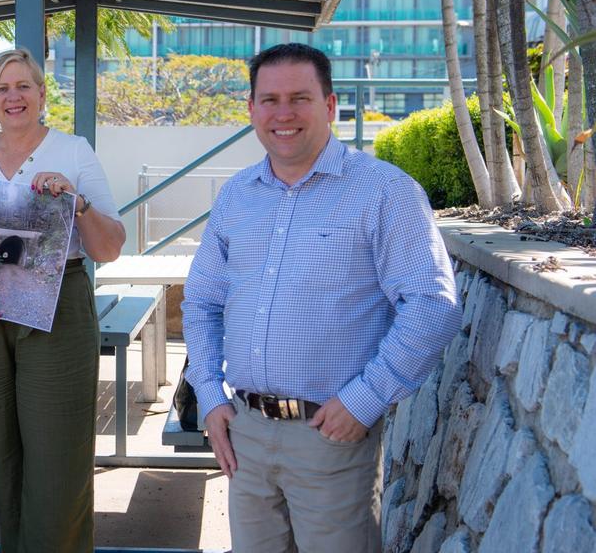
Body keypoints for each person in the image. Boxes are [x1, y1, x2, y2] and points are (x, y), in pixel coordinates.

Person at [181, 43, 460, 553]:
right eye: (269, 99)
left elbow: (431, 302)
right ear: (251, 108)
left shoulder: (384, 192)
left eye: (299, 98)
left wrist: (365, 400)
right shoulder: (237, 195)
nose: (282, 113)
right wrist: (208, 393)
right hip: (244, 437)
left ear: (329, 106)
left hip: (330, 436)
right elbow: (201, 302)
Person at [0, 49, 126, 553]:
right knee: (7, 460)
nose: (13, 97)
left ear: (41, 94)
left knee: (58, 459)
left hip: (57, 309)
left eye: (23, 86)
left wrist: (75, 203)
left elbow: (110, 247)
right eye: (1, 88)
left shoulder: (74, 151)